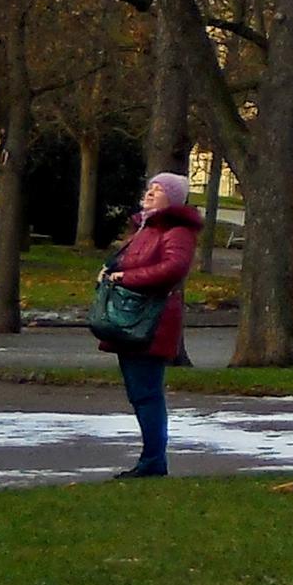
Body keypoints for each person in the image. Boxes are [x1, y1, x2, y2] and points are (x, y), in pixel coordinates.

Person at [102, 171, 199, 478]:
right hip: (132, 318)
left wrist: (125, 278)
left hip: (151, 320)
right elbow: (131, 262)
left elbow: (173, 268)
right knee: (139, 392)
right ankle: (150, 459)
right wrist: (110, 270)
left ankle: (153, 461)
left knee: (146, 392)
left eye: (158, 189)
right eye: (149, 187)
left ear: (172, 197)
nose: (150, 192)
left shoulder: (176, 231)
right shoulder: (145, 228)